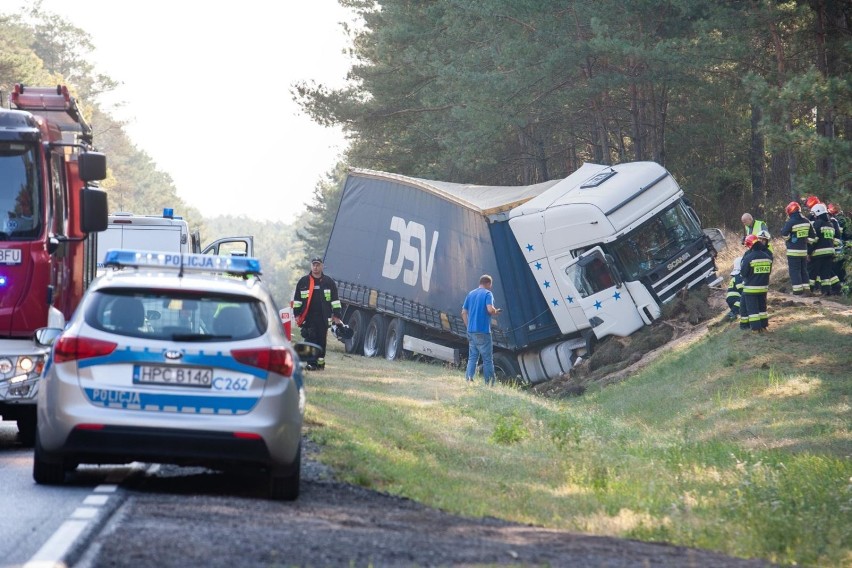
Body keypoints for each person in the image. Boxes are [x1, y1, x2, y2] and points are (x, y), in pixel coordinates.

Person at [292, 256, 342, 370]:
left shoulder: (329, 282)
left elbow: (335, 301)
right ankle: (311, 363)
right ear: (311, 266)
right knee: (310, 339)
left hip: (323, 318)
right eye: (314, 265)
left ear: (322, 266)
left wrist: (337, 315)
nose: (315, 267)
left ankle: (320, 364)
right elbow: (297, 301)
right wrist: (297, 315)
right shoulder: (303, 281)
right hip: (308, 317)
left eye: (318, 265)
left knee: (321, 341)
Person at [461, 274, 501, 385]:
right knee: (487, 359)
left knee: (473, 357)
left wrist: (468, 326)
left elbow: (463, 312)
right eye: (491, 284)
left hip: (471, 331)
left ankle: (469, 380)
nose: (491, 287)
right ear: (488, 283)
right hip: (483, 331)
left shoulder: (471, 294)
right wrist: (496, 311)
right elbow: (489, 309)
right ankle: (489, 383)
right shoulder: (488, 294)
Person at [779, 201, 816, 295]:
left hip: (793, 251)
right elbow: (813, 236)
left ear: (790, 211)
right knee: (804, 270)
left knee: (795, 271)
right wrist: (806, 241)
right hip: (804, 251)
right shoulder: (807, 221)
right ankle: (806, 289)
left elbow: (784, 234)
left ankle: (798, 291)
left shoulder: (791, 221)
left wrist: (790, 239)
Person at [740, 232, 773, 332]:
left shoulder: (748, 257)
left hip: (750, 288)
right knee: (762, 308)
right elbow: (769, 271)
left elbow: (744, 273)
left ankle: (756, 329)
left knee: (753, 309)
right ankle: (764, 326)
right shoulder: (767, 256)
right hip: (763, 287)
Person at [809, 203, 840, 295]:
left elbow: (814, 239)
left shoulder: (818, 223)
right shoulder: (830, 224)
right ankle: (826, 291)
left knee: (811, 272)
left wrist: (809, 252)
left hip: (818, 253)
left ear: (818, 213)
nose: (813, 216)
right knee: (825, 274)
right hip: (830, 252)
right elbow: (834, 239)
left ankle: (808, 290)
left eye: (814, 214)